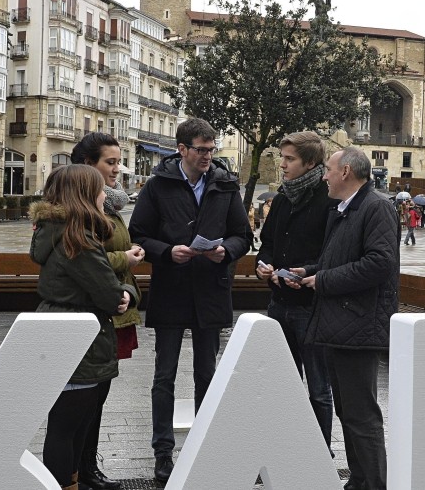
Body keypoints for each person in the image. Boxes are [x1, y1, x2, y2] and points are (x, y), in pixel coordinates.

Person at [128, 118, 251, 483]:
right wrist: (168, 252)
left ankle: (205, 447)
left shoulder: (225, 185)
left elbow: (242, 236)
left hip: (211, 290)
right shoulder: (158, 185)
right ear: (181, 149)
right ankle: (163, 452)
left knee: (207, 374)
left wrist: (225, 251)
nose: (207, 156)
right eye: (201, 150)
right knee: (164, 375)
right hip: (171, 288)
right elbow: (138, 235)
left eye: (211, 150)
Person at [290, 147, 399, 490]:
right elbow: (338, 260)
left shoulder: (376, 207)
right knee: (348, 414)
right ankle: (359, 481)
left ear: (346, 172)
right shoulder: (344, 209)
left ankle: (373, 484)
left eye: (328, 169)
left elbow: (379, 263)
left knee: (361, 416)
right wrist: (308, 271)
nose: (324, 176)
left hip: (360, 326)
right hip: (341, 325)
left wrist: (322, 280)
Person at [30, 165, 137, 490]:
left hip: (61, 331)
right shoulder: (79, 240)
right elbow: (110, 295)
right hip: (80, 341)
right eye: (99, 189)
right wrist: (128, 292)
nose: (105, 195)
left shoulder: (54, 231)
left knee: (66, 425)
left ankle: (70, 482)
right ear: (86, 196)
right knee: (68, 428)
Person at [71, 133, 146, 490]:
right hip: (98, 311)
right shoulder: (83, 208)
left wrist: (128, 259)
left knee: (99, 394)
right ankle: (79, 471)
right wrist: (125, 258)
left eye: (119, 162)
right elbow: (85, 259)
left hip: (115, 308)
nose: (117, 169)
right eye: (110, 162)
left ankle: (88, 466)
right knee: (88, 397)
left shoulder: (109, 204)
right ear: (88, 164)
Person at [254, 131, 336, 450]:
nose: (282, 165)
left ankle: (321, 452)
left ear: (310, 163)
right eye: (282, 158)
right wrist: (263, 265)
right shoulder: (283, 197)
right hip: (279, 302)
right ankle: (285, 449)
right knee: (283, 384)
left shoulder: (329, 198)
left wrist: (307, 273)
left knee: (318, 387)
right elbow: (268, 244)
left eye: (290, 159)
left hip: (311, 306)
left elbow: (332, 253)